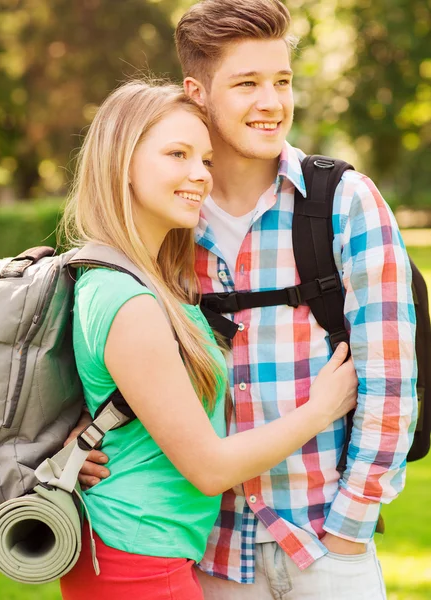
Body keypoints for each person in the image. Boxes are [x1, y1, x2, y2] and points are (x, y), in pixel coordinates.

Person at [73, 1, 417, 598]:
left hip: (324, 542)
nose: (272, 102)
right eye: (247, 83)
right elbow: (111, 350)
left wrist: (349, 529)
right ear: (197, 92)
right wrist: (82, 438)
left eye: (282, 81)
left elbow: (391, 377)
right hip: (213, 553)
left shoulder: (343, 201)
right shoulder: (167, 218)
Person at [59, 79, 357, 600]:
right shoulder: (129, 298)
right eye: (177, 154)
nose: (199, 174)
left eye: (206, 160)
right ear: (120, 163)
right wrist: (321, 409)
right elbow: (209, 468)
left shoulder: (146, 280)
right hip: (138, 561)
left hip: (138, 552)